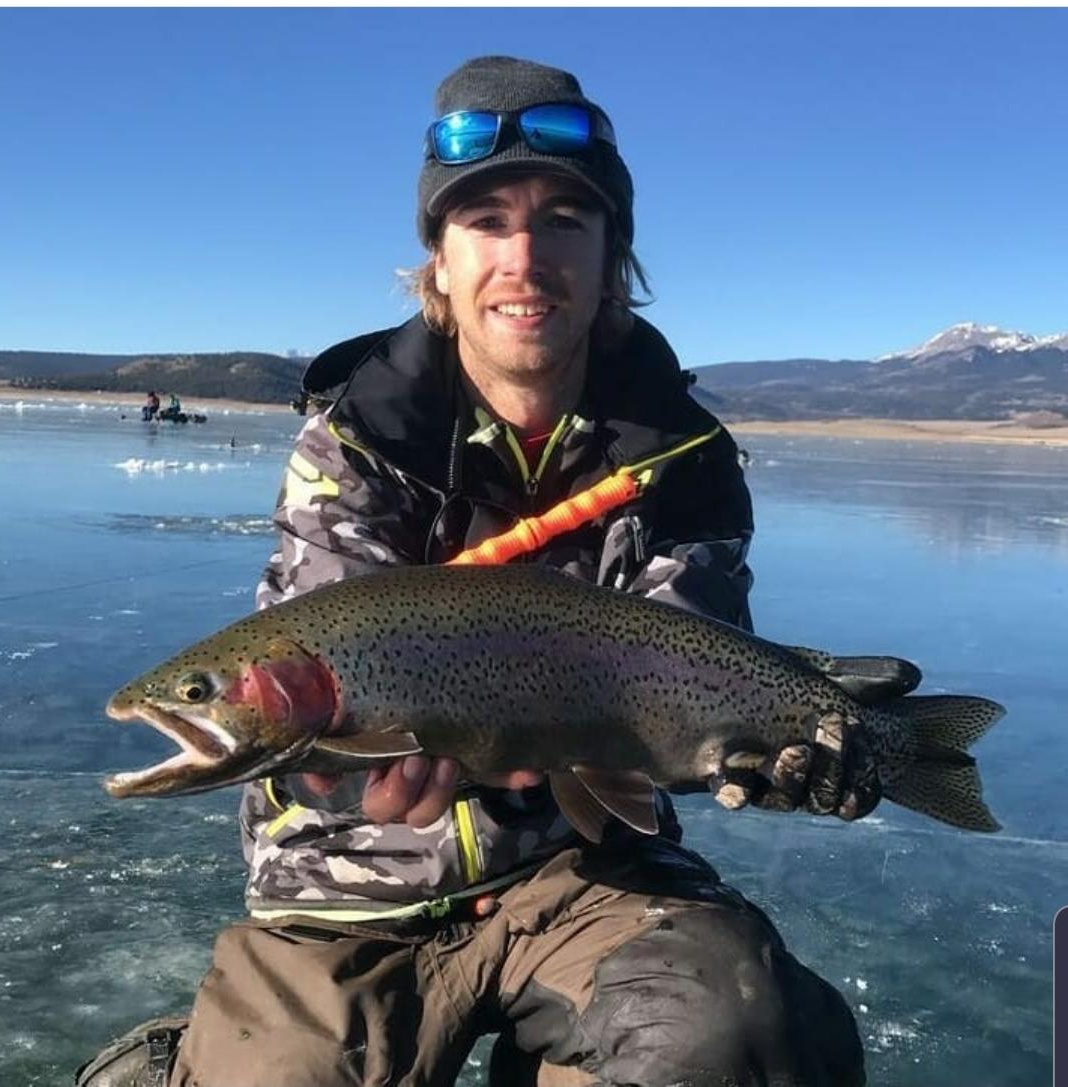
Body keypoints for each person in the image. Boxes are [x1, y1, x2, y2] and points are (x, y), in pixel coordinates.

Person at [83, 56, 882, 1087]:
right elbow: (318, 678)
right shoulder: (358, 435)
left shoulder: (684, 456)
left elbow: (694, 666)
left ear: (610, 262)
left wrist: (776, 752)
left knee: (733, 1036)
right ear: (440, 262)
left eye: (563, 221)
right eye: (485, 223)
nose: (523, 257)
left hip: (591, 868)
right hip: (347, 886)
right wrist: (356, 775)